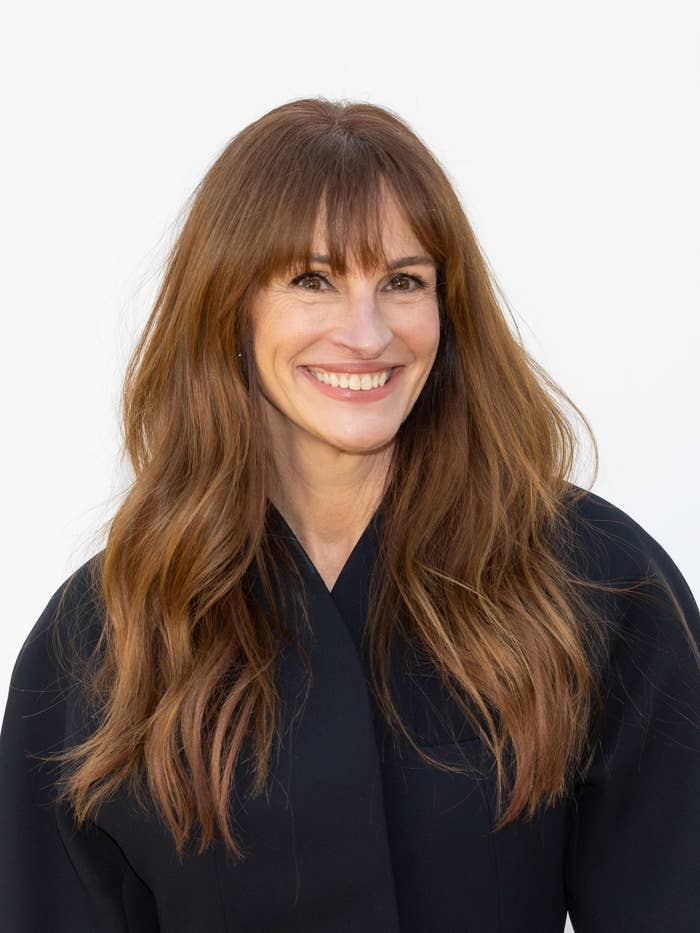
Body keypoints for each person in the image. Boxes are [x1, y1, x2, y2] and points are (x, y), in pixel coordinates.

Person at [1, 97, 699, 933]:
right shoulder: (102, 635)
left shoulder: (593, 582)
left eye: (403, 281)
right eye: (313, 280)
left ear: (449, 309)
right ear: (230, 305)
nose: (366, 333)